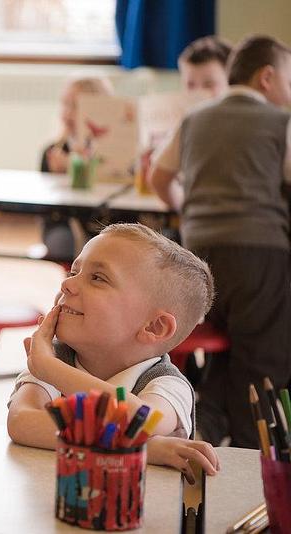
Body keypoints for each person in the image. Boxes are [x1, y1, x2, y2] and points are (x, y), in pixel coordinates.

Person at [149, 35, 291, 448]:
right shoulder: (280, 124)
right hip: (258, 257)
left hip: (199, 258)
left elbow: (160, 176)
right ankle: (251, 458)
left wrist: (186, 210)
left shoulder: (195, 120)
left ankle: (205, 422)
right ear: (268, 77)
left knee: (227, 348)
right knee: (264, 359)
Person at [7, 223, 220, 481]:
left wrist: (51, 370)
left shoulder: (167, 384)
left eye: (97, 278)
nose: (67, 284)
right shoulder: (54, 360)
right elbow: (22, 422)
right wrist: (142, 447)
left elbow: (142, 420)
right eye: (74, 271)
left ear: (154, 326)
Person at [39, 76, 114, 261]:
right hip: (63, 224)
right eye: (65, 104)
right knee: (62, 244)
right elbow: (47, 205)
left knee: (109, 248)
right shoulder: (52, 151)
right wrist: (62, 176)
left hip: (106, 224)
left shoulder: (115, 154)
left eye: (76, 106)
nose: (68, 113)